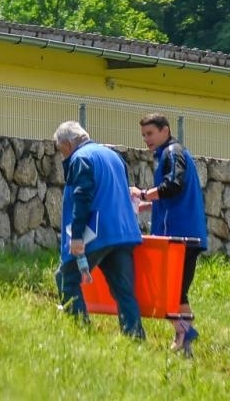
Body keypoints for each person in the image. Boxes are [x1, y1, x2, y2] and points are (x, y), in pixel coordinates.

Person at [54, 120, 146, 340]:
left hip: (97, 233)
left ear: (67, 144)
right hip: (124, 232)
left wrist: (77, 237)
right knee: (123, 290)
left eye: (60, 149)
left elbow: (82, 197)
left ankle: (80, 331)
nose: (61, 155)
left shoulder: (80, 158)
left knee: (66, 277)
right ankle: (134, 336)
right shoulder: (113, 156)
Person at [132, 112, 206, 355]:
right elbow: (171, 196)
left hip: (180, 236)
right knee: (177, 291)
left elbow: (173, 185)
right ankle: (184, 339)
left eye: (150, 133)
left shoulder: (172, 153)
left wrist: (143, 193)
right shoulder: (169, 153)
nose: (146, 139)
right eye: (144, 135)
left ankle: (185, 332)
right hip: (184, 234)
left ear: (165, 131)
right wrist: (146, 205)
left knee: (168, 291)